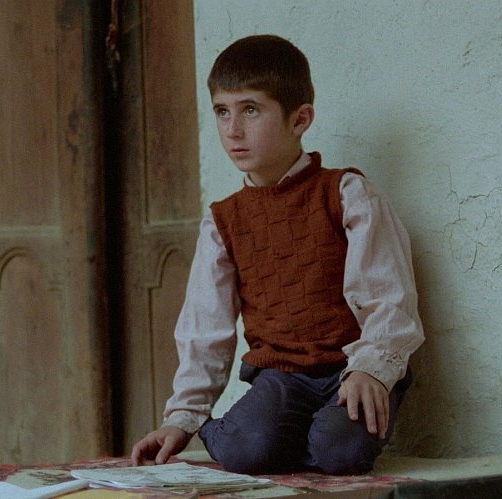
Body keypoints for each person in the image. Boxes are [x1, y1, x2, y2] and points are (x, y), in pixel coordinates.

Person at [130, 34, 425, 475]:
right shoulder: (223, 221)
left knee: (340, 452)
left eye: (251, 110)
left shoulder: (346, 194)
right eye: (222, 111)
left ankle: (304, 435)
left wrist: (373, 369)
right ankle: (273, 435)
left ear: (299, 119)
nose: (233, 129)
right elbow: (204, 327)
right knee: (243, 449)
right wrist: (183, 417)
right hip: (281, 377)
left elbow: (389, 297)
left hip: (352, 369)